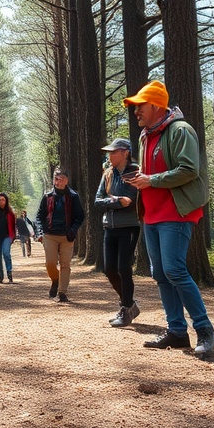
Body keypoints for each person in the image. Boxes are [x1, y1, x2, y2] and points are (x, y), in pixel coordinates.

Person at [123, 80, 214, 356]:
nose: (136, 112)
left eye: (139, 106)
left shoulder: (180, 130)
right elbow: (153, 172)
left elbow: (189, 169)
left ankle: (205, 330)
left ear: (155, 105)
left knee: (175, 270)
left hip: (176, 212)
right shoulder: (147, 135)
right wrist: (140, 179)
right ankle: (177, 331)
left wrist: (151, 180)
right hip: (152, 214)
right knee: (161, 273)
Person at [95, 137, 141, 328]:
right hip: (110, 227)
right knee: (109, 269)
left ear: (125, 153)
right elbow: (97, 201)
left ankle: (125, 309)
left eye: (114, 152)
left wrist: (113, 201)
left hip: (129, 226)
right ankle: (129, 305)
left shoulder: (135, 172)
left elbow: (130, 200)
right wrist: (114, 201)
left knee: (123, 268)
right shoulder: (107, 174)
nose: (110, 155)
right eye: (109, 152)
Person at [36, 167, 85, 303]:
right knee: (50, 263)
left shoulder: (74, 197)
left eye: (61, 179)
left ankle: (62, 293)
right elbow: (40, 216)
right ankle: (55, 280)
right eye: (56, 179)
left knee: (65, 264)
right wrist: (40, 231)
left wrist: (73, 230)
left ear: (67, 180)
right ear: (53, 180)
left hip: (67, 236)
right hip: (50, 235)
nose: (58, 182)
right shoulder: (47, 197)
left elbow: (80, 216)